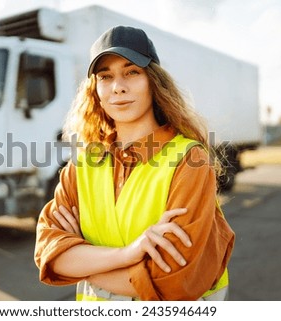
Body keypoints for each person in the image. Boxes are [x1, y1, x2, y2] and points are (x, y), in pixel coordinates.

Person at [34, 25, 235, 301]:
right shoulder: (81, 166)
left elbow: (174, 279)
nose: (118, 87)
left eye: (132, 72)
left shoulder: (189, 159)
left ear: (154, 81)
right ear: (96, 91)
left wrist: (83, 264)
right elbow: (48, 252)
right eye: (106, 76)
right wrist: (129, 254)